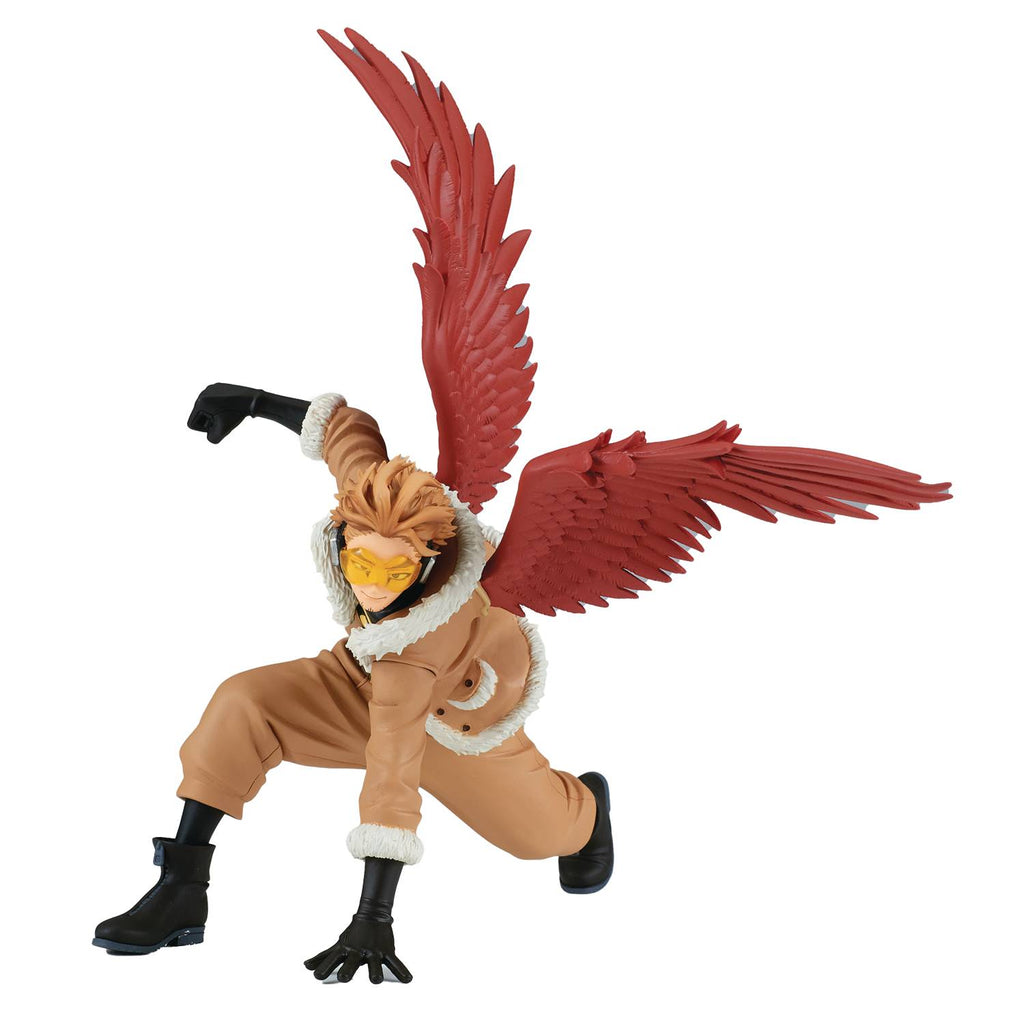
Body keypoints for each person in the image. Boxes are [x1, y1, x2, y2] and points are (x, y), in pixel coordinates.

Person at [92, 383, 614, 985]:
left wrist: (373, 915)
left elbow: (392, 775)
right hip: (355, 679)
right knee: (245, 702)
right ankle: (181, 887)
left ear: (426, 562)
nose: (372, 587)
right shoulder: (373, 501)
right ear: (342, 539)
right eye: (360, 565)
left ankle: (586, 805)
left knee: (541, 837)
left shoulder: (418, 646)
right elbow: (346, 432)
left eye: (396, 572)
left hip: (449, 726)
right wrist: (255, 403)